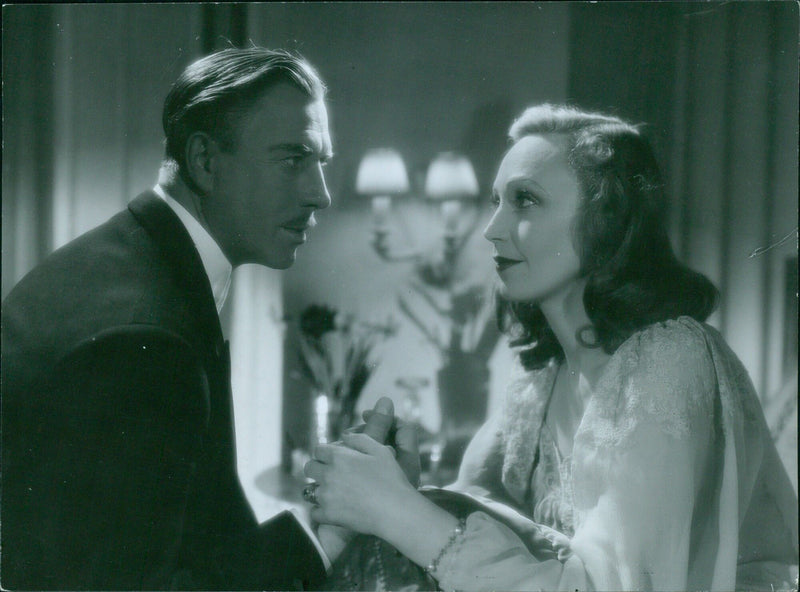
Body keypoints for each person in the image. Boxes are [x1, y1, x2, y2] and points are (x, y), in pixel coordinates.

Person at [304, 103, 799, 591]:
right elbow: (477, 516)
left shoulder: (671, 359)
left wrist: (398, 509)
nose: (491, 230)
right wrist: (401, 490)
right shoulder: (540, 380)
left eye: (525, 200)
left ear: (605, 219)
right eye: (497, 201)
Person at [2, 46, 340, 590]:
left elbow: (187, 541)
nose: (320, 194)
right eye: (293, 159)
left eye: (321, 162)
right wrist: (327, 540)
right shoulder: (144, 339)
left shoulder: (131, 259)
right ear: (204, 160)